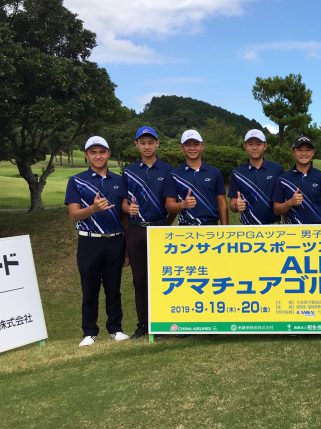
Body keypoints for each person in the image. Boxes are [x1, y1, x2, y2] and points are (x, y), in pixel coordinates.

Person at [64, 136, 129, 347]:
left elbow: (124, 214)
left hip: (115, 240)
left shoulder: (119, 180)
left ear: (108, 154)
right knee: (89, 288)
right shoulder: (77, 180)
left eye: (102, 152)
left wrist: (126, 245)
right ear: (86, 155)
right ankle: (89, 331)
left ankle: (116, 328)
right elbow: (74, 214)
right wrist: (93, 209)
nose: (98, 156)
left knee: (113, 287)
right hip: (89, 242)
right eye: (93, 152)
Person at [121, 126, 173, 339]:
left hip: (160, 228)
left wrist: (165, 224)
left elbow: (171, 205)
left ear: (157, 143)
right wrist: (128, 209)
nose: (147, 146)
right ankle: (144, 324)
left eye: (151, 142)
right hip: (136, 229)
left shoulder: (167, 170)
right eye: (142, 143)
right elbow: (123, 204)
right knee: (140, 279)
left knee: (163, 278)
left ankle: (165, 323)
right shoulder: (129, 171)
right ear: (136, 145)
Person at [164, 129, 229, 225]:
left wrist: (225, 228)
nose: (192, 148)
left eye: (196, 144)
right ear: (182, 148)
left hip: (211, 227)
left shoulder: (215, 172)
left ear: (202, 147)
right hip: (186, 228)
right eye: (188, 145)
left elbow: (222, 204)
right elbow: (169, 206)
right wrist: (183, 204)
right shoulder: (174, 175)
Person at [228, 129, 283, 224]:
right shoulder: (237, 173)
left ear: (265, 146)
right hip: (248, 228)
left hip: (273, 227)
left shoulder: (276, 169)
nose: (254, 148)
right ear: (245, 146)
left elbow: (283, 200)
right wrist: (236, 206)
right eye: (250, 144)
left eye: (258, 144)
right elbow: (232, 204)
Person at [272, 135, 321, 224]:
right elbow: (276, 210)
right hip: (293, 231)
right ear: (293, 152)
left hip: (318, 230)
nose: (304, 154)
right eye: (299, 150)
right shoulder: (283, 179)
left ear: (313, 152)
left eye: (308, 150)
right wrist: (290, 203)